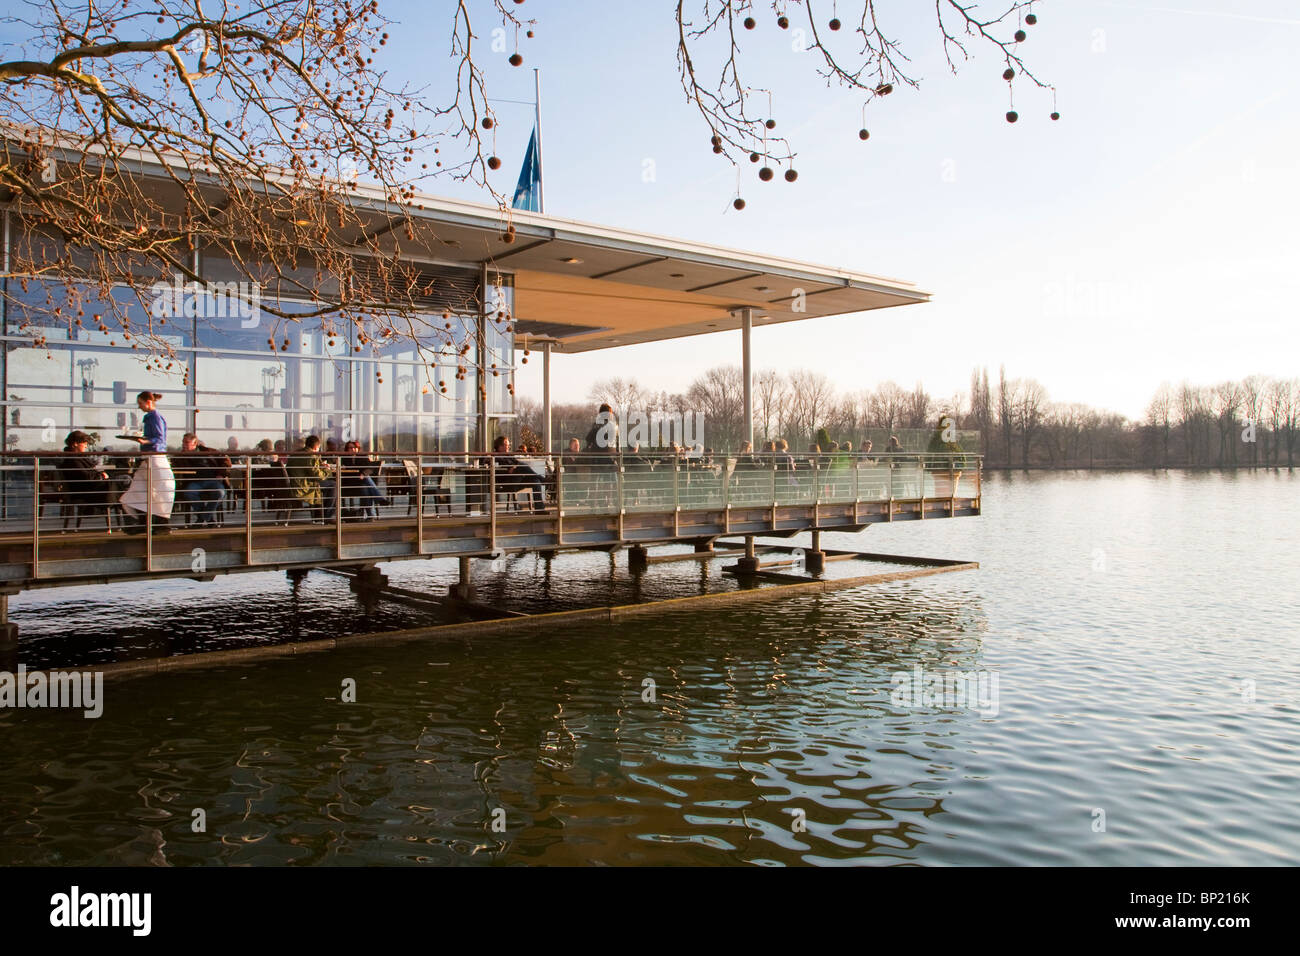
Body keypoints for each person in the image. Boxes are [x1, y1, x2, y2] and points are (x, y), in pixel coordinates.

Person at [119, 390, 175, 533]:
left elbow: (159, 438)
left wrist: (145, 440)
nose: (139, 407)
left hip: (153, 457)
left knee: (150, 491)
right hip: (150, 457)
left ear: (149, 402)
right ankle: (147, 523)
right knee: (148, 491)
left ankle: (145, 523)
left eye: (140, 403)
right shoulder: (151, 417)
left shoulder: (154, 417)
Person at [55, 430, 111, 530]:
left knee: (119, 484)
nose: (86, 446)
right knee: (118, 486)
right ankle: (131, 521)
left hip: (86, 488)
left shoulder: (76, 458)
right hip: (83, 492)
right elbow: (86, 476)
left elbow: (88, 474)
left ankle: (130, 518)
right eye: (84, 443)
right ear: (75, 444)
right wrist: (102, 476)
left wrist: (100, 475)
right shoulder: (73, 460)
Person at [174, 433, 232, 527]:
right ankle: (209, 519)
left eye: (186, 442)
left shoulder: (207, 451)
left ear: (195, 443)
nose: (183, 444)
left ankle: (202, 518)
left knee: (220, 493)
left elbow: (226, 460)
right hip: (195, 482)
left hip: (213, 481)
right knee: (189, 493)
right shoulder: (180, 456)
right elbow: (176, 468)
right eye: (183, 442)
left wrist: (221, 474)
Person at [491, 435, 545, 512]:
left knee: (535, 480)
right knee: (522, 465)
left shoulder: (509, 455)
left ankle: (540, 509)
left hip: (518, 480)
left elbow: (516, 464)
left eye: (508, 445)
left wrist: (515, 467)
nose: (508, 447)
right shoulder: (495, 456)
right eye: (506, 445)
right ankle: (542, 479)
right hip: (508, 483)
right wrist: (514, 467)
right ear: (500, 446)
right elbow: (508, 470)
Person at [340, 440, 390, 519]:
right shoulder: (344, 458)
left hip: (361, 482)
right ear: (347, 449)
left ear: (358, 448)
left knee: (365, 488)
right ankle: (379, 500)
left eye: (354, 448)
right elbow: (340, 468)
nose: (352, 449)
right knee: (366, 482)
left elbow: (370, 468)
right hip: (349, 482)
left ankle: (371, 516)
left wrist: (363, 474)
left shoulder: (362, 456)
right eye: (350, 448)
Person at [287, 435, 330, 522]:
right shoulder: (310, 456)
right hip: (303, 487)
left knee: (325, 486)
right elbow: (318, 477)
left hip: (294, 485)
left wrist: (319, 465)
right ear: (316, 447)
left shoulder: (295, 454)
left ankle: (319, 516)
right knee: (333, 485)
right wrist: (327, 470)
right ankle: (328, 516)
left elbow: (307, 470)